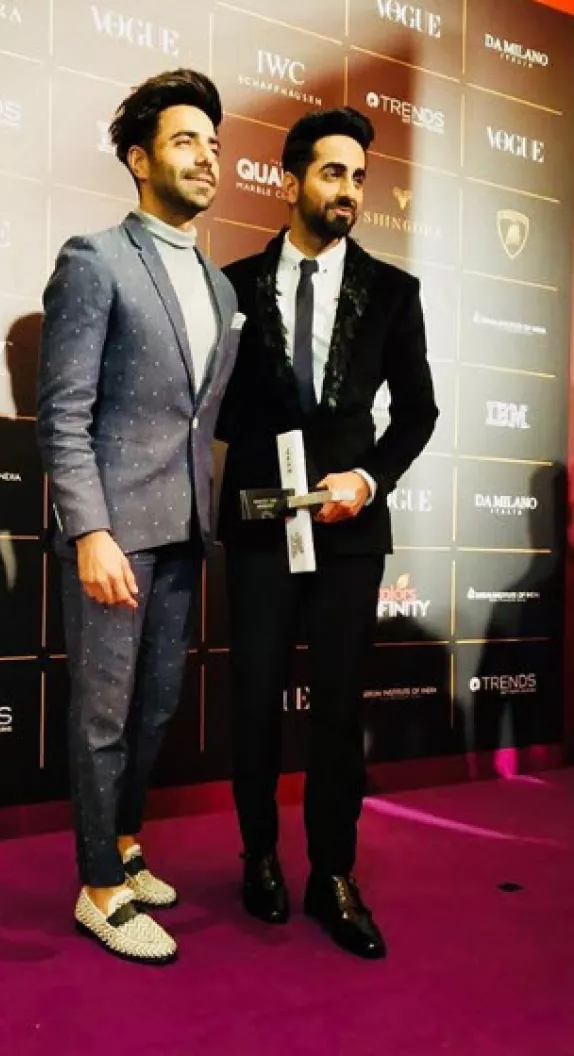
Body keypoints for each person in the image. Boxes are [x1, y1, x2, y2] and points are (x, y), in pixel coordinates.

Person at [216, 106, 438, 959]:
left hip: (348, 530)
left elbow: (417, 413)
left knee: (339, 708)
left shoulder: (394, 292)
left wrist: (366, 478)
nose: (348, 190)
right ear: (292, 180)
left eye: (358, 177)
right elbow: (212, 407)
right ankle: (259, 857)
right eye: (332, 172)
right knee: (255, 698)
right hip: (260, 523)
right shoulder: (231, 285)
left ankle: (333, 873)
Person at [37, 69, 242, 964]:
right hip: (116, 535)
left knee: (155, 709)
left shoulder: (222, 289)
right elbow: (64, 413)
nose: (207, 157)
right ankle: (99, 890)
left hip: (187, 530)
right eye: (186, 140)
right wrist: (89, 531)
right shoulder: (96, 260)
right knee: (103, 718)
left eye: (214, 144)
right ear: (140, 158)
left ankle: (124, 845)